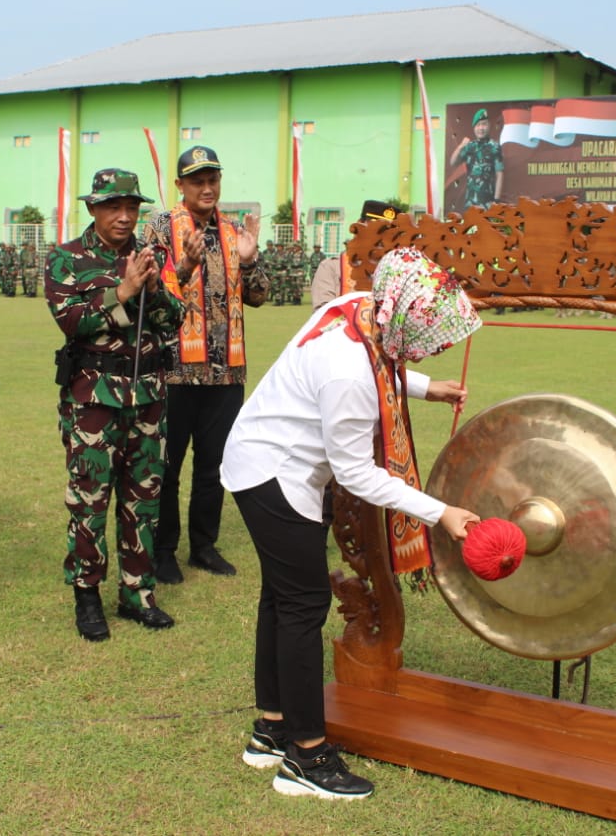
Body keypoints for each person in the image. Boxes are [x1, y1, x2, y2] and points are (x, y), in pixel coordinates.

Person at [221, 246, 482, 800]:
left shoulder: (359, 307)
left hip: (262, 457)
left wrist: (424, 385)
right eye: (429, 335)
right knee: (302, 607)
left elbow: (384, 359)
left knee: (281, 600)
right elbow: (358, 476)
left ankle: (271, 729)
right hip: (274, 474)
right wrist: (441, 512)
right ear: (403, 316)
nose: (431, 345)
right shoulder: (348, 376)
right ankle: (306, 756)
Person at [46, 169, 184, 640]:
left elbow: (174, 318)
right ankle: (87, 596)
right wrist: (122, 292)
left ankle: (137, 594)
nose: (124, 217)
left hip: (147, 395)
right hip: (94, 399)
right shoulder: (67, 259)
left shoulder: (150, 255)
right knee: (90, 498)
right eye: (113, 207)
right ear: (93, 208)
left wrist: (152, 287)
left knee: (143, 498)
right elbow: (73, 321)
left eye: (131, 208)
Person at [143, 145, 269, 582]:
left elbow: (258, 295)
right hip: (174, 370)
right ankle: (163, 550)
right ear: (180, 186)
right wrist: (184, 263)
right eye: (197, 180)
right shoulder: (159, 228)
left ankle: (204, 546)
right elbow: (149, 292)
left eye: (212, 178)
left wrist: (250, 260)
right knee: (167, 465)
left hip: (225, 372)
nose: (207, 187)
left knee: (214, 466)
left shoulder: (233, 232)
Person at [310, 201, 398, 308]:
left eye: (387, 231)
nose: (379, 236)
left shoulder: (399, 270)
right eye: (374, 227)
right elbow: (324, 316)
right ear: (359, 225)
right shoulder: (332, 267)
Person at [450, 108, 504, 210]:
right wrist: (461, 146)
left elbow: (499, 174)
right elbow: (453, 162)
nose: (481, 128)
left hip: (488, 203)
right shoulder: (470, 147)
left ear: (489, 126)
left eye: (484, 124)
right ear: (474, 128)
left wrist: (496, 201)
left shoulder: (495, 147)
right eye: (478, 125)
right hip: (470, 203)